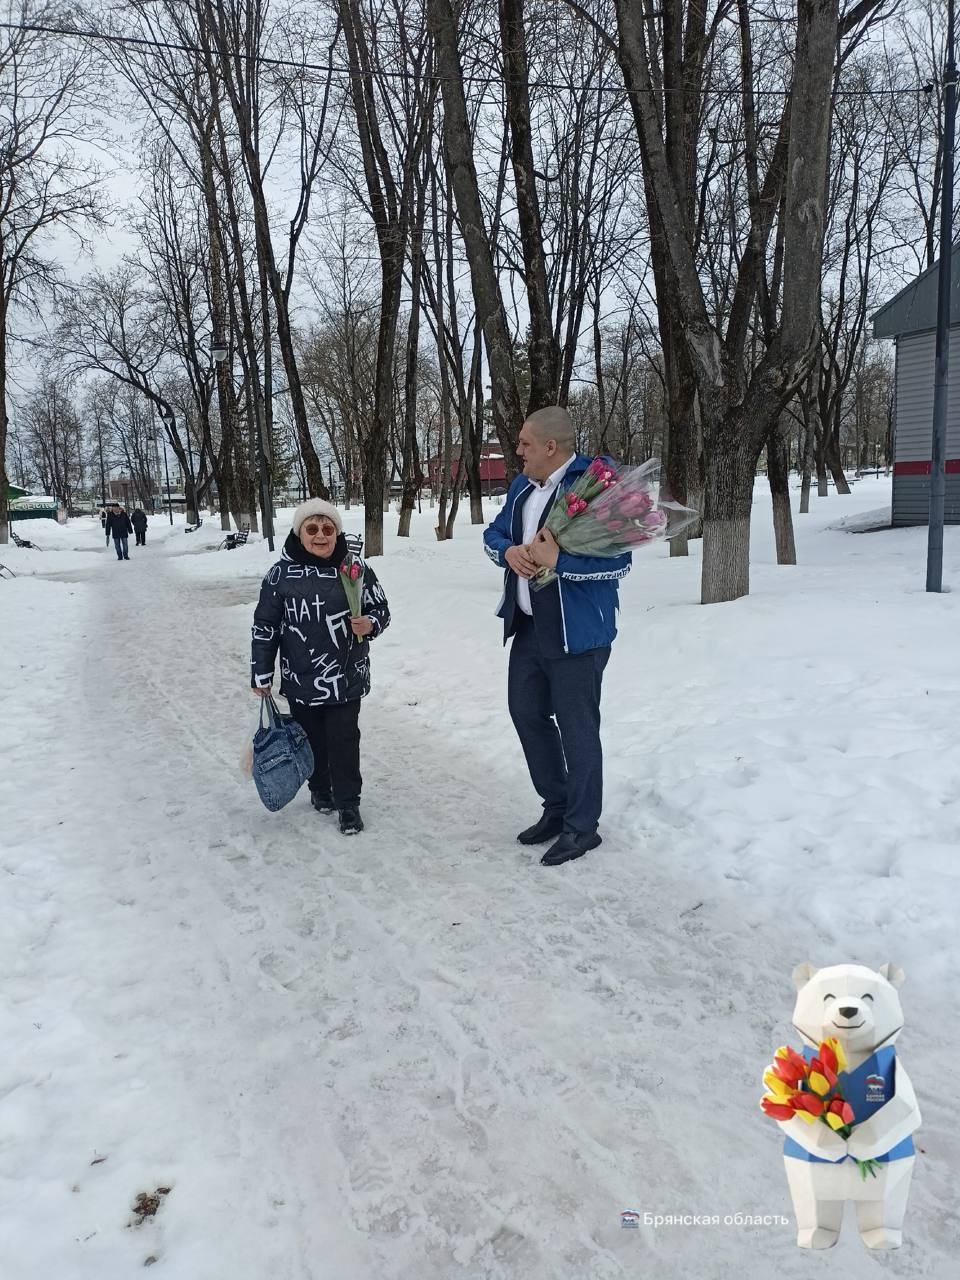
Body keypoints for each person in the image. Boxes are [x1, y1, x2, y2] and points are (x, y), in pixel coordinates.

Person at [483, 406, 631, 866]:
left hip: (577, 635)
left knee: (577, 728)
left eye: (524, 443)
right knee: (526, 712)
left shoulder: (597, 486)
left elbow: (619, 561)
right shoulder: (521, 487)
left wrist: (559, 563)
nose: (517, 450)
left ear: (551, 447)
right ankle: (558, 805)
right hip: (529, 627)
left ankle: (583, 827)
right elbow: (493, 533)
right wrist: (507, 551)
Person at [250, 499, 390, 835]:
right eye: (312, 529)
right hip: (301, 677)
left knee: (344, 739)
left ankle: (349, 804)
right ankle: (320, 788)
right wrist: (261, 671)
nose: (321, 535)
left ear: (337, 532)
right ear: (299, 534)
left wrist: (370, 623)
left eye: (328, 528)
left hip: (345, 675)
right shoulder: (280, 575)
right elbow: (265, 625)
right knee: (312, 739)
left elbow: (381, 608)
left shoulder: (354, 569)